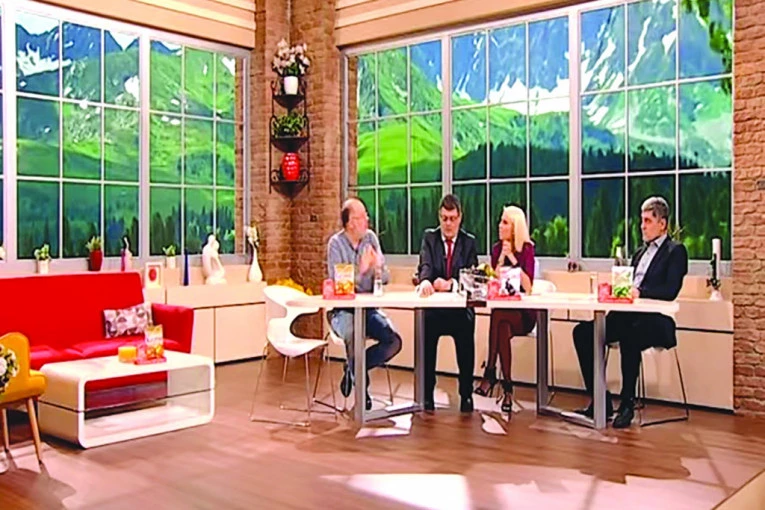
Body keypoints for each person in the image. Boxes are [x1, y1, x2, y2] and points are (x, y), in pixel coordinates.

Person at [572, 196, 688, 428]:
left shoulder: (675, 251)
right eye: (642, 221)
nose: (642, 226)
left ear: (662, 224)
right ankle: (601, 400)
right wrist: (617, 291)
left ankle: (627, 404)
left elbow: (670, 290)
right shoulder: (639, 253)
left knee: (630, 336)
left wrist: (640, 292)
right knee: (583, 333)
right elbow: (629, 288)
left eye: (647, 221)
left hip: (657, 320)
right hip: (627, 315)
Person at [326, 198, 403, 411]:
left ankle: (352, 368)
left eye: (366, 216)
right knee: (353, 333)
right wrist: (361, 270)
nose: (367, 220)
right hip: (342, 311)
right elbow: (339, 284)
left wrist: (377, 268)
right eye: (361, 217)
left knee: (394, 341)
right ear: (350, 223)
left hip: (369, 310)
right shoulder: (335, 244)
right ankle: (362, 391)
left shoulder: (371, 238)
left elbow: (385, 277)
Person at [416, 194, 478, 413]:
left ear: (460, 218)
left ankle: (466, 395)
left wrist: (451, 284)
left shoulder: (469, 242)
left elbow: (472, 278)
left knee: (466, 333)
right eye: (444, 219)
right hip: (435, 310)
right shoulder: (430, 238)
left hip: (459, 311)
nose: (448, 224)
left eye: (452, 219)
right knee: (426, 329)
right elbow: (425, 265)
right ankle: (426, 395)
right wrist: (425, 281)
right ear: (439, 218)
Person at [474, 205, 536, 414]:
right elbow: (493, 284)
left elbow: (528, 286)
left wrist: (513, 259)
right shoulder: (495, 249)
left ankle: (490, 372)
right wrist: (501, 258)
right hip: (503, 313)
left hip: (524, 315)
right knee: (501, 324)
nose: (499, 226)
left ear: (515, 227)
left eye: (505, 222)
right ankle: (508, 388)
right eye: (501, 221)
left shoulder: (527, 249)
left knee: (498, 314)